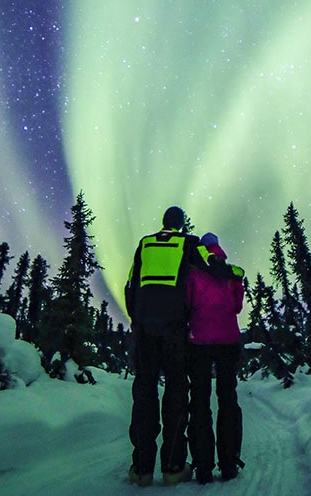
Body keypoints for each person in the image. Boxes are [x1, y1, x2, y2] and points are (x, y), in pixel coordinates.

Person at [125, 206, 235, 487]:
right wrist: (234, 273)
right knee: (176, 391)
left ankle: (141, 468)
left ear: (163, 223)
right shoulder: (189, 243)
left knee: (144, 391)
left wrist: (137, 320)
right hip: (175, 330)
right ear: (182, 225)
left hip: (145, 329)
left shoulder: (145, 244)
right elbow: (212, 266)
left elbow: (130, 286)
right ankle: (173, 466)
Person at [186, 232, 245, 485]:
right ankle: (229, 462)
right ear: (218, 246)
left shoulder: (192, 270)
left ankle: (203, 466)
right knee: (227, 399)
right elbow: (237, 306)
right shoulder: (230, 272)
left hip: (198, 342)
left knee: (199, 401)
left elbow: (188, 302)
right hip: (228, 341)